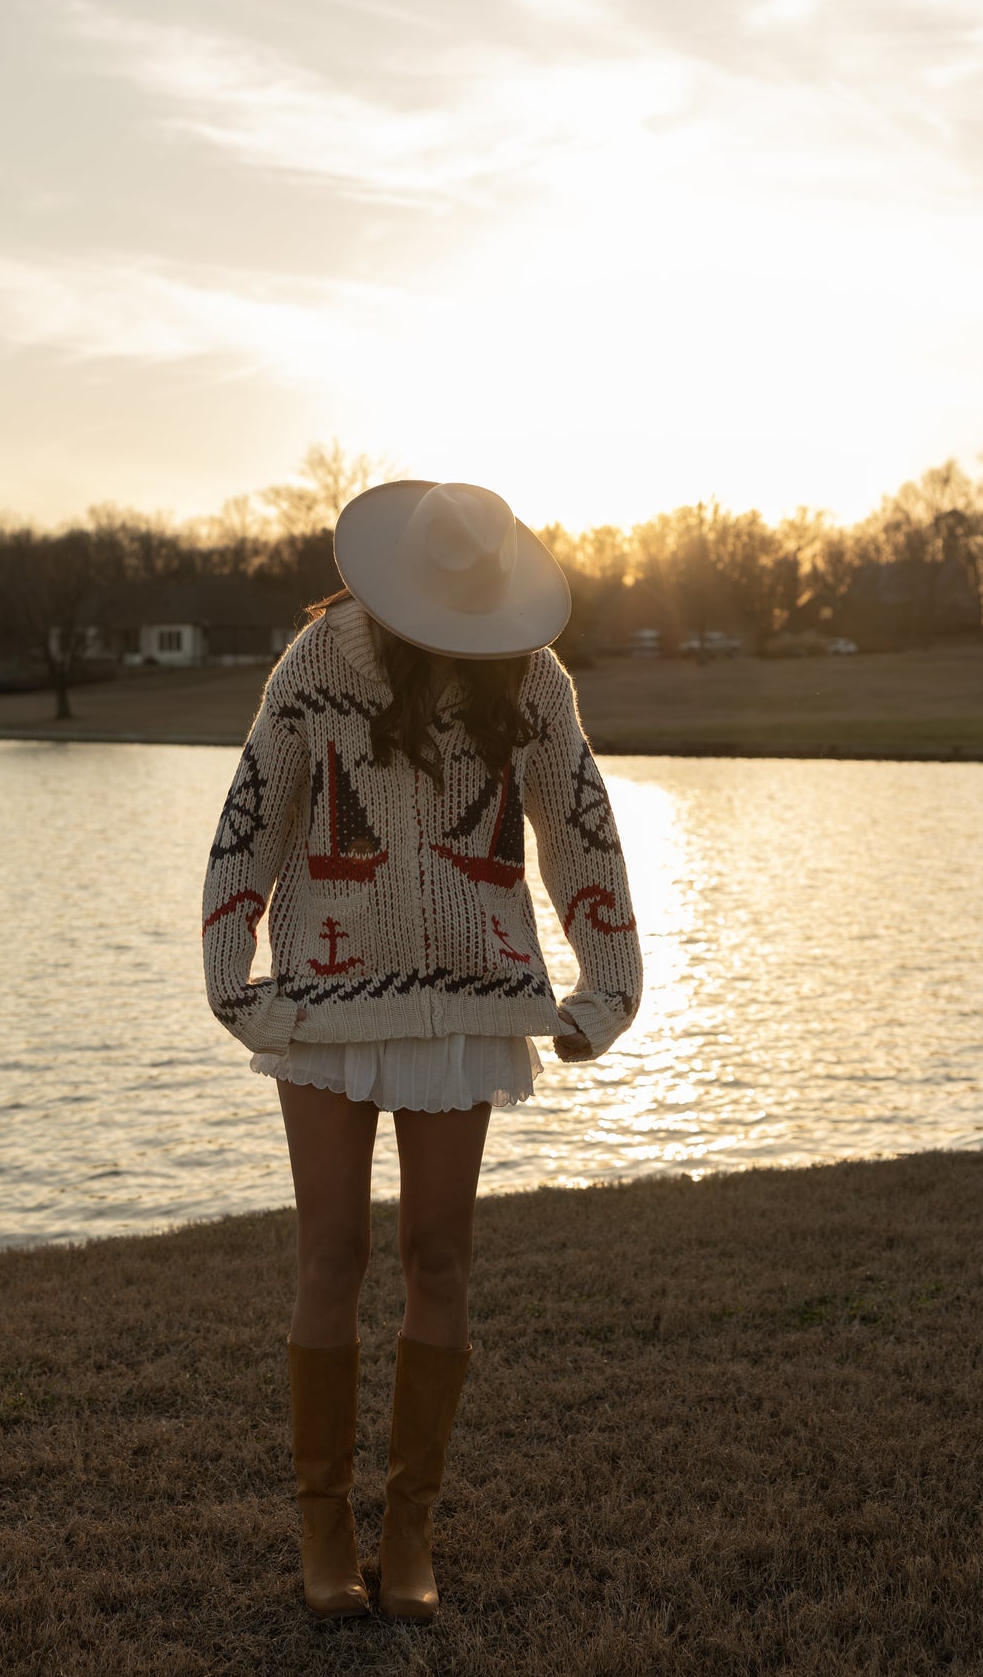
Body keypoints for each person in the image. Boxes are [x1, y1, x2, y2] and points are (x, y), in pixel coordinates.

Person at [202, 480, 642, 1622]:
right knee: (332, 1254)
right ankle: (321, 1526)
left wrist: (612, 983)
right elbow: (255, 807)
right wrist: (226, 964)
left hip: (470, 1001)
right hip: (326, 1000)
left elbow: (578, 822)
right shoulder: (317, 664)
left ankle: (409, 1528)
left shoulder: (533, 681)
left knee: (439, 1258)